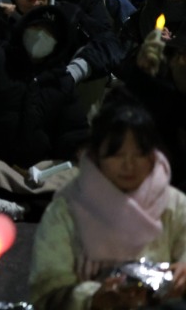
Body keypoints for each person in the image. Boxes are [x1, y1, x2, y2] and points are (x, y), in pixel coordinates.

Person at [30, 92, 186, 309]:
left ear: (153, 156)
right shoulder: (67, 210)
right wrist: (92, 299)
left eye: (139, 154)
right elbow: (46, 290)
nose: (128, 165)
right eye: (116, 154)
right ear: (95, 157)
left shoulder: (173, 204)